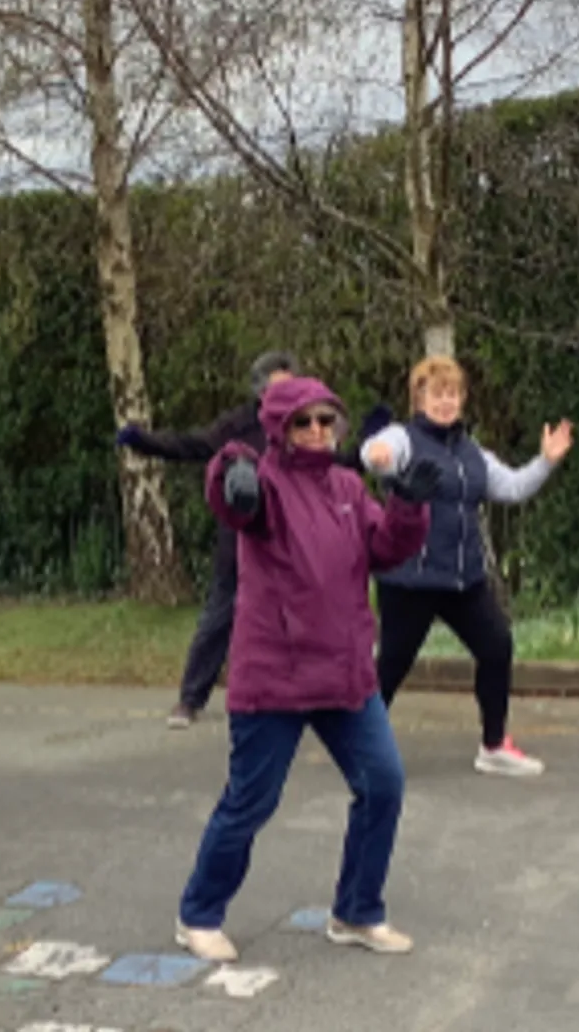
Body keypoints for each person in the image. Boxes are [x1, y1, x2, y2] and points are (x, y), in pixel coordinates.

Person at [175, 375, 438, 964]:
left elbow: (388, 548)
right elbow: (228, 486)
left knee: (383, 784)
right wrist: (230, 475)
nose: (318, 432)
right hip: (274, 676)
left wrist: (409, 503)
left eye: (326, 421)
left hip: (343, 673)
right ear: (279, 429)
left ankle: (356, 910)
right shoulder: (263, 485)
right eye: (303, 422)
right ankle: (198, 913)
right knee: (251, 802)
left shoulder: (347, 485)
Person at [360, 356, 573, 778]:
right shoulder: (403, 438)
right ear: (419, 398)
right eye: (436, 393)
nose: (446, 401)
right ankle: (361, 745)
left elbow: (511, 488)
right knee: (391, 665)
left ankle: (494, 746)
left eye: (453, 393)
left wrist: (545, 462)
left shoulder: (473, 453)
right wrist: (378, 455)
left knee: (497, 646)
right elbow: (376, 452)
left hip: (463, 579)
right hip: (410, 578)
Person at [118, 350, 301, 728]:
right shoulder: (237, 424)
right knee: (220, 617)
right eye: (276, 388)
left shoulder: (306, 426)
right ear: (259, 390)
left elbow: (335, 464)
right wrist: (146, 442)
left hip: (291, 544)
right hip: (241, 543)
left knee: (301, 619)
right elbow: (193, 445)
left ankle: (306, 699)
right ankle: (190, 699)